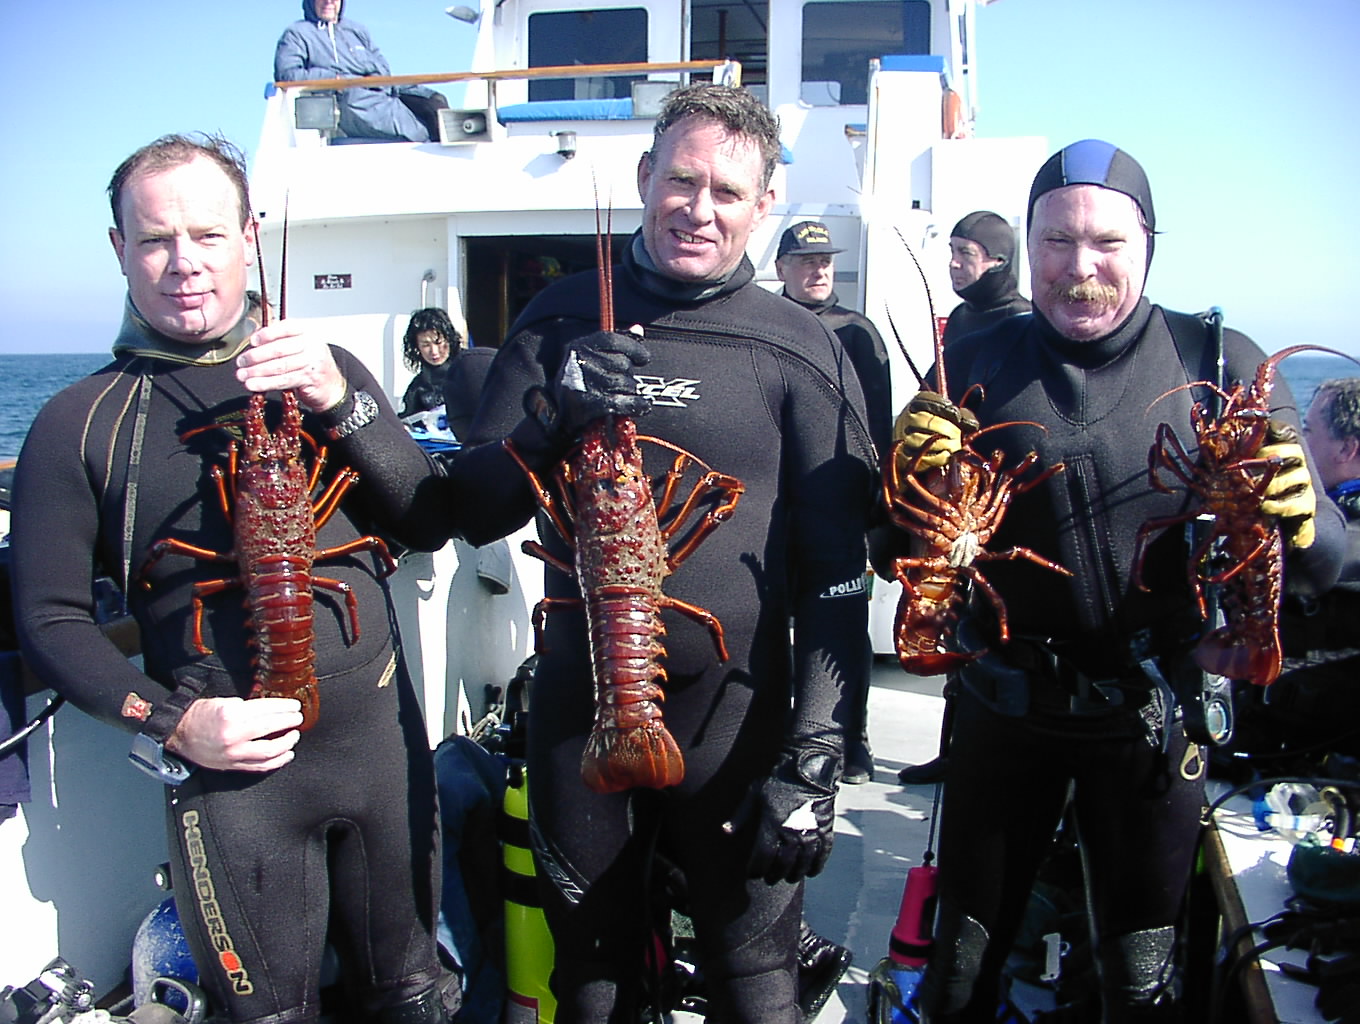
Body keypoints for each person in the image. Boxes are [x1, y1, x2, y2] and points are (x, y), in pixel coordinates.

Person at [437, 83, 877, 1022]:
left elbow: (838, 574)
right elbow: (471, 509)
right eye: (680, 179)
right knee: (590, 985)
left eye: (728, 190)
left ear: (766, 207)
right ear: (646, 176)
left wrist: (817, 753)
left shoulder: (801, 346)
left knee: (757, 980)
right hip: (577, 712)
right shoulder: (557, 318)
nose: (699, 207)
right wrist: (549, 418)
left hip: (740, 719)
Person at [879, 139, 1345, 1021]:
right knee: (960, 976)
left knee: (1141, 983)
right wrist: (901, 482)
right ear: (1028, 243)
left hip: (1151, 715)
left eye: (1108, 244)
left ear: (1149, 244)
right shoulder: (975, 358)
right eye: (1056, 241)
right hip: (1003, 709)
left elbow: (1329, 566)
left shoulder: (1219, 362)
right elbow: (885, 549)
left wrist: (1303, 515)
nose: (1080, 268)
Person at [10, 135, 456, 1024]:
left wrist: (341, 398)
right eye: (155, 240)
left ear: (249, 236)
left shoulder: (324, 374)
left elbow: (427, 518)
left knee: (414, 998)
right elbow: (51, 621)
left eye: (208, 235)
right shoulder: (77, 422)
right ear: (117, 249)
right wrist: (175, 722)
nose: (184, 264)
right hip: (232, 780)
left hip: (381, 757)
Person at [774, 219, 886, 787]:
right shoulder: (765, 323)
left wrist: (878, 513)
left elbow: (881, 428)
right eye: (806, 260)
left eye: (826, 260)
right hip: (773, 508)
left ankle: (853, 737)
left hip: (839, 507)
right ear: (781, 269)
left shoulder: (859, 332)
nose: (819, 269)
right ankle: (778, 731)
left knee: (842, 627)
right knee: (769, 624)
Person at [1264, 377, 1360, 755]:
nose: (1299, 442)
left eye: (1306, 431)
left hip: (1321, 747)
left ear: (1348, 448)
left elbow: (1334, 557)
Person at [275, 0, 449, 143]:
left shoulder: (357, 30)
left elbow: (382, 65)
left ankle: (445, 147)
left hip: (381, 87)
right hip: (347, 95)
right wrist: (333, 79)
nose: (329, 2)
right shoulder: (298, 33)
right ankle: (424, 139)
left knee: (434, 100)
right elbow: (287, 74)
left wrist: (377, 78)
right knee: (412, 127)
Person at [941, 210, 1031, 346]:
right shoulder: (958, 317)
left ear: (998, 260)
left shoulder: (1024, 321)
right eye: (952, 251)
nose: (954, 263)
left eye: (966, 252)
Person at [400, 307, 462, 419]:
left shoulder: (469, 369)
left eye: (438, 343)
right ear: (417, 347)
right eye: (425, 345)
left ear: (449, 339)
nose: (434, 352)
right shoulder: (418, 387)